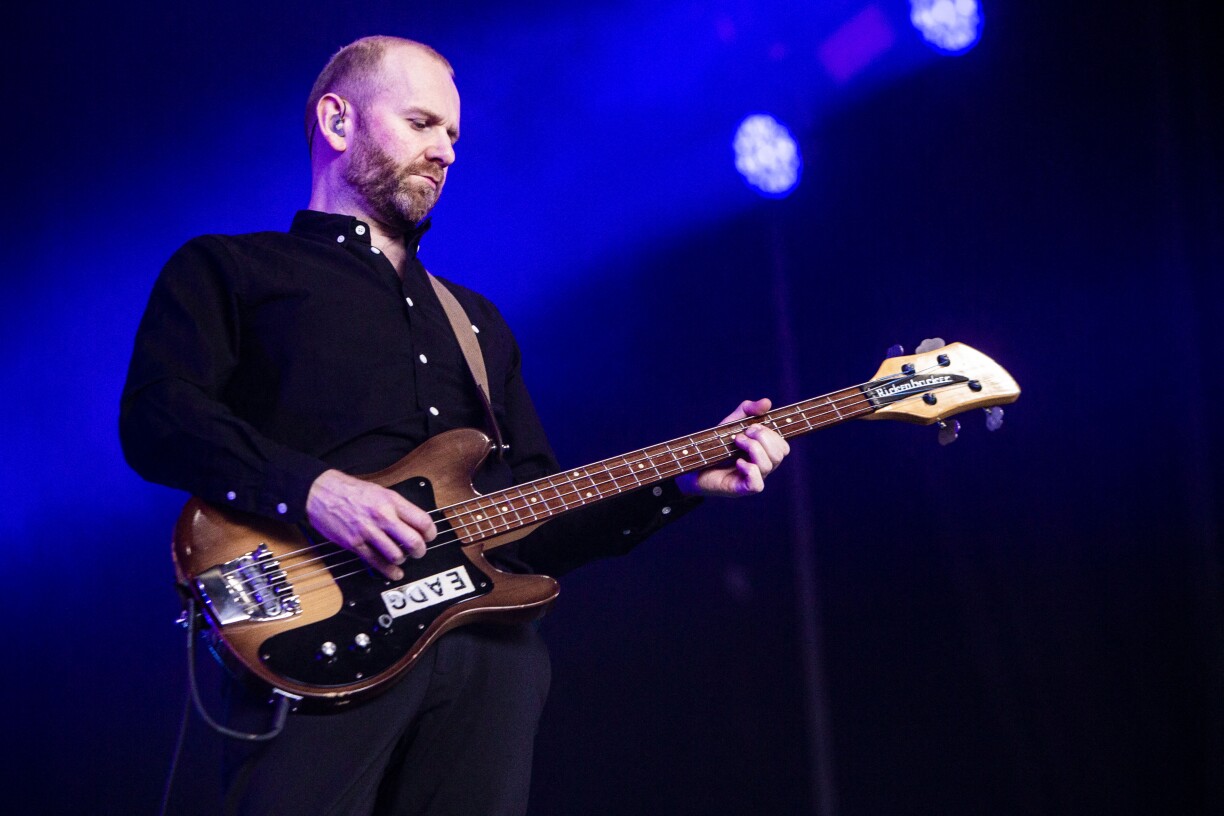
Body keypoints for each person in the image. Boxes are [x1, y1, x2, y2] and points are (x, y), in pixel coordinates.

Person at [121, 35, 790, 816]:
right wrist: (315, 492)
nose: (444, 152)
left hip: (488, 662)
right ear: (338, 121)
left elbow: (535, 518)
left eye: (453, 136)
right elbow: (158, 417)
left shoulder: (477, 324)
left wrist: (677, 484)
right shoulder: (232, 270)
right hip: (314, 642)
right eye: (421, 123)